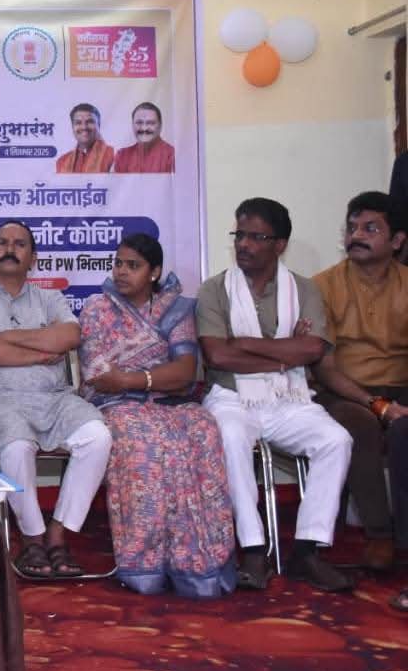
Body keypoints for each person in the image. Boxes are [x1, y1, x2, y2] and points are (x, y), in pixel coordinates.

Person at [196, 197, 355, 592]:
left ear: (280, 244)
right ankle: (253, 548)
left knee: (336, 440)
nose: (243, 244)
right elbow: (218, 355)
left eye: (256, 237)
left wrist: (245, 343)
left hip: (290, 397)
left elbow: (312, 350)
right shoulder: (215, 289)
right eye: (239, 235)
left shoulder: (304, 289)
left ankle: (307, 550)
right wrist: (286, 353)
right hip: (231, 396)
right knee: (229, 436)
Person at [0, 221, 112, 578]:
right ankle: (33, 538)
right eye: (2, 243)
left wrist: (2, 337)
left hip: (53, 398)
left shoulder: (50, 299)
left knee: (97, 436)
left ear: (33, 257)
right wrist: (41, 350)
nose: (10, 249)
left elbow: (69, 336)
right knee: (16, 447)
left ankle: (59, 533)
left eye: (19, 244)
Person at [78, 234, 236, 597]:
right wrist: (147, 378)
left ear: (154, 272)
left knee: (203, 428)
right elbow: (99, 374)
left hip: (169, 402)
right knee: (145, 441)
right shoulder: (97, 309)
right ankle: (145, 564)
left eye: (133, 266)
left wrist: (132, 378)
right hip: (116, 405)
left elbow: (185, 372)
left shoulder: (176, 311)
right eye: (118, 263)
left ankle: (200, 562)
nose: (121, 271)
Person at [310, 191, 408, 579]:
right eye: (352, 228)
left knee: (405, 430)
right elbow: (324, 367)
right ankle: (379, 535)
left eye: (370, 228)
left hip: (402, 386)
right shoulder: (323, 286)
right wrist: (376, 403)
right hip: (342, 390)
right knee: (362, 425)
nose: (357, 236)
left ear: (397, 241)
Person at [113, 102, 175, 174]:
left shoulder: (172, 155)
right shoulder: (122, 156)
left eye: (151, 123)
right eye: (139, 123)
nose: (144, 128)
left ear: (160, 126)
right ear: (132, 125)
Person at [56, 103, 114, 174]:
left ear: (99, 125)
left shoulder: (112, 156)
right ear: (72, 127)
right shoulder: (62, 161)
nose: (84, 127)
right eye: (78, 123)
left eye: (90, 122)